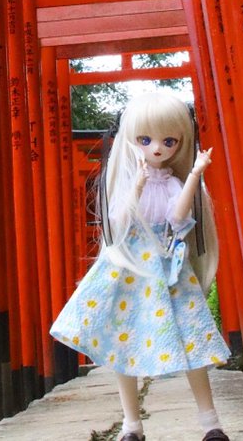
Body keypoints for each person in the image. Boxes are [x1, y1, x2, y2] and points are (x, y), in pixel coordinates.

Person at [50, 92, 231, 441]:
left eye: (169, 141)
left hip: (167, 265)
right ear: (130, 141)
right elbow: (119, 220)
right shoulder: (125, 181)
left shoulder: (174, 183)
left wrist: (195, 174)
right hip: (129, 268)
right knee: (123, 343)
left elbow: (178, 217)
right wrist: (137, 183)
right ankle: (132, 425)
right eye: (145, 140)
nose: (157, 148)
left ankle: (210, 422)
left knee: (192, 341)